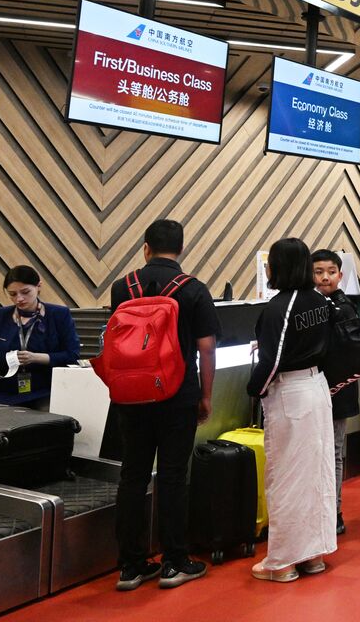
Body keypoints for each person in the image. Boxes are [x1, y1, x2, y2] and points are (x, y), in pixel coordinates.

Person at [109, 219, 218, 592]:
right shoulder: (193, 290)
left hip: (131, 394)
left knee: (132, 475)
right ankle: (174, 561)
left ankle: (130, 566)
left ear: (145, 248)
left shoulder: (123, 287)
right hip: (177, 394)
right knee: (173, 475)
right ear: (182, 249)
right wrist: (205, 395)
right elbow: (206, 349)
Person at [247, 238, 336, 582]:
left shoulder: (279, 307)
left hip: (291, 393)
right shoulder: (320, 302)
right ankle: (313, 554)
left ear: (280, 267)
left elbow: (272, 361)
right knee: (315, 474)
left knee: (284, 476)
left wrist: (254, 389)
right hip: (317, 388)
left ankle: (282, 561)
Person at [0, 265, 80, 407]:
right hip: (4, 391)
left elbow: (72, 355)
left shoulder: (59, 315)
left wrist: (36, 358)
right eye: (12, 294)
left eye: (25, 292)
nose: (19, 299)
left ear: (38, 286)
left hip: (45, 390)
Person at [311, 250, 360, 535]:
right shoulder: (306, 305)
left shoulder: (346, 307)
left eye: (331, 271)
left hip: (339, 388)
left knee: (335, 451)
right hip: (312, 389)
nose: (325, 277)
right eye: (319, 271)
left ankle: (335, 511)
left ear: (341, 275)